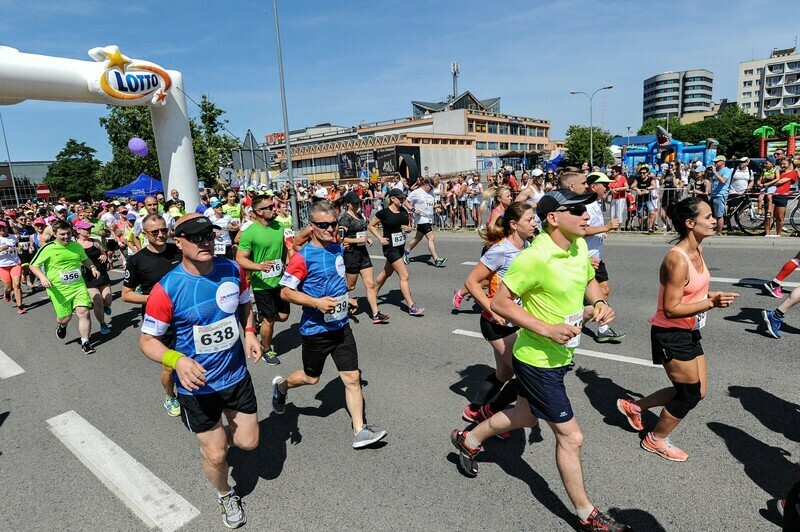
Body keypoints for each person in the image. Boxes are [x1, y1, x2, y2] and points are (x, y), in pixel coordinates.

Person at [450, 189, 630, 532]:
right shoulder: (534, 257)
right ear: (553, 218)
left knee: (525, 416)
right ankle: (587, 514)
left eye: (586, 209)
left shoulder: (576, 245)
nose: (586, 216)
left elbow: (589, 280)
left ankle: (468, 439)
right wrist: (546, 328)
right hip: (537, 359)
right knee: (571, 437)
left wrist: (599, 303)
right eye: (576, 210)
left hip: (562, 354)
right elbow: (502, 303)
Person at [139, 214, 261, 529]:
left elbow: (246, 302)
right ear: (177, 242)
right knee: (218, 455)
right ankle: (225, 493)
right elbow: (147, 340)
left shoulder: (232, 269)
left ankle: (216, 445)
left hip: (235, 376)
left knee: (248, 443)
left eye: (208, 235)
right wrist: (176, 360)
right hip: (197, 388)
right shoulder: (167, 288)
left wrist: (249, 331)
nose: (204, 241)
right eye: (195, 237)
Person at [617, 197, 738, 462]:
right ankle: (655, 439)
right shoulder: (677, 259)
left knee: (698, 391)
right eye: (707, 216)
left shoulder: (698, 250)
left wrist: (711, 296)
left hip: (690, 329)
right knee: (689, 395)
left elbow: (693, 291)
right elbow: (670, 308)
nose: (713, 219)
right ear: (690, 223)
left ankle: (634, 406)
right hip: (670, 333)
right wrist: (711, 303)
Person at [274, 200, 388, 448]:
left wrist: (348, 302)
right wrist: (316, 303)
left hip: (341, 326)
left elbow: (337, 283)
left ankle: (360, 430)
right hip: (316, 331)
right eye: (323, 225)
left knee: (352, 378)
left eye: (333, 224)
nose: (329, 228)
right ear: (311, 226)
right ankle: (281, 387)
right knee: (310, 378)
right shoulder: (302, 258)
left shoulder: (338, 248)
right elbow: (285, 293)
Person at [460, 202, 535, 436]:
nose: (535, 223)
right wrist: (491, 309)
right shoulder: (500, 250)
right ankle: (492, 412)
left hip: (516, 321)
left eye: (534, 219)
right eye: (530, 220)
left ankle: (474, 409)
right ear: (514, 225)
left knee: (504, 374)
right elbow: (471, 282)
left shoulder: (529, 245)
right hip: (497, 324)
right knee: (527, 375)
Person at [123, 213, 183, 417]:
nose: (160, 235)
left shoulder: (178, 250)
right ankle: (170, 396)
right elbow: (127, 295)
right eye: (155, 232)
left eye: (164, 230)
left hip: (185, 315)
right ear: (145, 234)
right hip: (159, 319)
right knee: (169, 366)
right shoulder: (137, 260)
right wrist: (156, 299)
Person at [30, 220, 101, 354]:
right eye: (62, 234)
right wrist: (42, 277)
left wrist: (92, 267)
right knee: (65, 317)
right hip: (58, 289)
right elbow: (33, 265)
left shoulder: (76, 246)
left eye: (68, 233)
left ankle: (86, 342)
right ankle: (62, 325)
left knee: (84, 312)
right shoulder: (48, 248)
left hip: (78, 286)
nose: (66, 237)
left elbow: (84, 258)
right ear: (55, 234)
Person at [236, 194, 289, 365]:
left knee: (284, 316)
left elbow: (283, 249)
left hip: (279, 280)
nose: (274, 209)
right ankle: (267, 349)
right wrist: (259, 266)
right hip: (261, 284)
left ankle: (259, 319)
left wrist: (287, 264)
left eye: (274, 206)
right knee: (270, 319)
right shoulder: (249, 232)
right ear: (258, 211)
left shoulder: (279, 226)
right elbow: (240, 258)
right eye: (270, 207)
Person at [584, 173, 626, 342]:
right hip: (587, 259)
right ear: (594, 187)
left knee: (604, 291)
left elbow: (592, 228)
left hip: (596, 258)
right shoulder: (586, 205)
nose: (608, 188)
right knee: (587, 301)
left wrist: (603, 231)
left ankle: (602, 328)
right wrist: (606, 226)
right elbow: (581, 230)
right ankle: (573, 327)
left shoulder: (596, 203)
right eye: (605, 185)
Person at [369, 188, 424, 316]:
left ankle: (372, 293)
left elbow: (409, 228)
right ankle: (411, 306)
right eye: (400, 198)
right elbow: (371, 226)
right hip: (390, 248)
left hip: (400, 248)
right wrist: (380, 238)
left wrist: (408, 229)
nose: (402, 200)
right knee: (404, 275)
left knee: (386, 273)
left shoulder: (403, 211)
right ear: (392, 198)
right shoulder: (384, 213)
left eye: (403, 198)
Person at [338, 191, 389, 324]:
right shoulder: (345, 219)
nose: (357, 205)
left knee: (370, 284)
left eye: (358, 203)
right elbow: (341, 239)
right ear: (348, 204)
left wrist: (367, 240)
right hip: (351, 255)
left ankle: (376, 314)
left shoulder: (360, 215)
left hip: (363, 254)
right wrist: (358, 240)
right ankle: (335, 299)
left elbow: (362, 232)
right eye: (354, 203)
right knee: (350, 286)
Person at [74, 220, 112, 334]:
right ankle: (103, 324)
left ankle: (105, 306)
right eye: (86, 229)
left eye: (90, 228)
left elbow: (103, 253)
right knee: (97, 300)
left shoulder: (96, 241)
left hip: (101, 272)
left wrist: (103, 256)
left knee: (108, 301)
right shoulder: (75, 245)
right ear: (78, 230)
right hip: (88, 276)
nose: (89, 231)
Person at [403, 178, 447, 267]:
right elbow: (406, 201)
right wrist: (413, 209)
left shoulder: (431, 192)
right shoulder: (417, 192)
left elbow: (432, 203)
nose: (431, 189)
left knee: (417, 238)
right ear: (426, 185)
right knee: (431, 237)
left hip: (429, 218)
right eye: (430, 187)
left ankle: (406, 252)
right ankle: (436, 259)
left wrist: (436, 207)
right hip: (421, 219)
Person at [0, 221, 25, 313]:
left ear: (7, 228)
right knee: (8, 287)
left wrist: (20, 248)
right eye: (0, 228)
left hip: (15, 263)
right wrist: (2, 248)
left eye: (3, 227)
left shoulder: (13, 237)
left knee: (17, 284)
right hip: (3, 265)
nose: (2, 229)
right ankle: (7, 293)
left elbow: (18, 245)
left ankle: (20, 307)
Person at [708, 155, 732, 235]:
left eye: (717, 162)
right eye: (714, 162)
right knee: (710, 214)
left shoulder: (726, 171)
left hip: (720, 194)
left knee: (719, 214)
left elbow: (723, 181)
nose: (715, 163)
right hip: (713, 194)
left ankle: (719, 232)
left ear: (723, 162)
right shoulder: (716, 170)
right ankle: (711, 229)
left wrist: (714, 172)